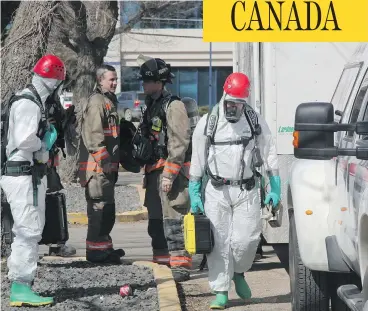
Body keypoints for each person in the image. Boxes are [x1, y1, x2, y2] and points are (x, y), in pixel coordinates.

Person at [188, 72, 281, 309]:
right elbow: (198, 157)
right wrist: (194, 191)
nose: (233, 109)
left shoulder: (254, 120)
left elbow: (268, 150)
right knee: (218, 241)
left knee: (247, 239)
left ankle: (238, 272)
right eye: (230, 103)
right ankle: (220, 290)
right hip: (217, 190)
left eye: (238, 104)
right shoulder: (208, 122)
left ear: (245, 102)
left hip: (246, 190)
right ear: (224, 96)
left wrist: (275, 185)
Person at [0, 54, 66, 307]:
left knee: (29, 229)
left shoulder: (27, 99)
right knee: (28, 230)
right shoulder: (30, 104)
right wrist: (44, 144)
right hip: (23, 174)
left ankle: (22, 285)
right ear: (55, 81)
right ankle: (20, 287)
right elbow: (24, 138)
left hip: (24, 173)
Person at [134, 55, 192, 282]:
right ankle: (162, 262)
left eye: (146, 81)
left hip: (171, 175)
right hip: (153, 171)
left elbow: (179, 142)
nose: (143, 85)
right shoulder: (151, 105)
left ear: (159, 81)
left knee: (174, 218)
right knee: (156, 221)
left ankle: (180, 265)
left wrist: (169, 173)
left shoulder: (173, 106)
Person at [78, 64, 124, 264]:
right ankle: (96, 253)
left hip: (106, 171)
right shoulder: (97, 102)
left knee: (107, 212)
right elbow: (94, 136)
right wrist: (104, 160)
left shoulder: (108, 101)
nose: (114, 83)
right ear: (100, 80)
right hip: (97, 170)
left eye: (115, 79)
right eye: (110, 79)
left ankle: (105, 249)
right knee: (99, 211)